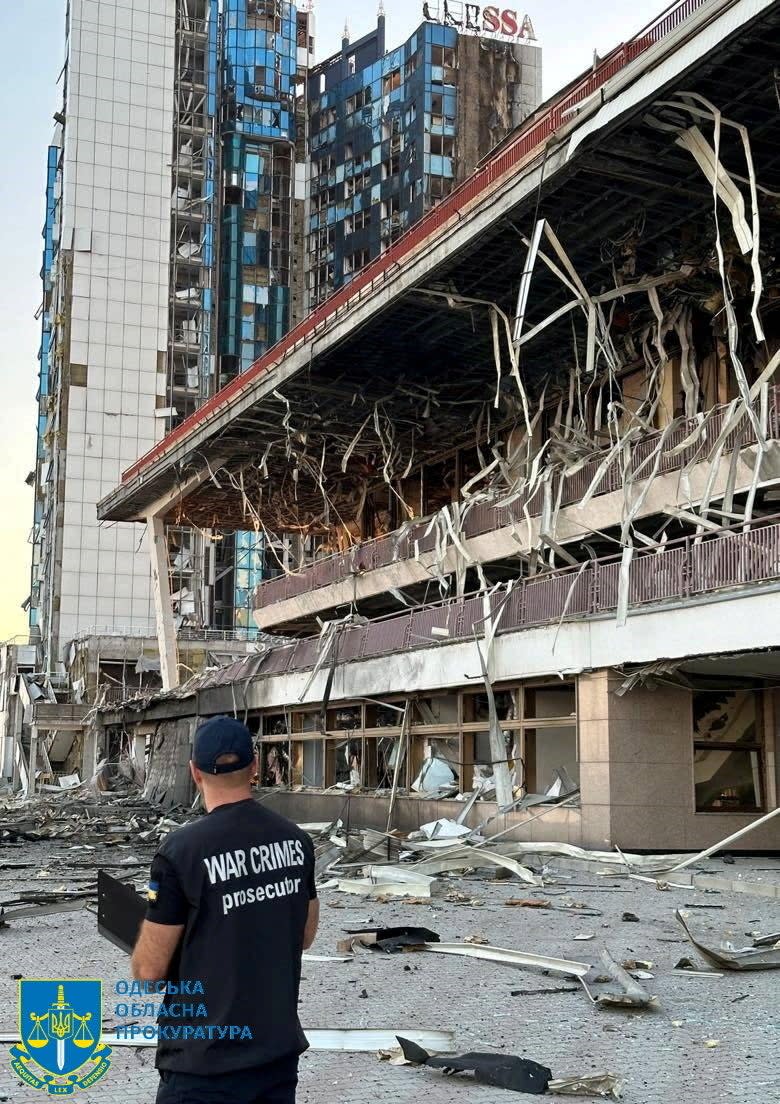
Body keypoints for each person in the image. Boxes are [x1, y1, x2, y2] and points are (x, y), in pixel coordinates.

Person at [131, 716, 319, 1104]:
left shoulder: (179, 852)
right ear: (254, 767)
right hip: (274, 1060)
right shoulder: (296, 841)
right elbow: (304, 935)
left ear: (194, 772)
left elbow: (149, 973)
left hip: (203, 1067)